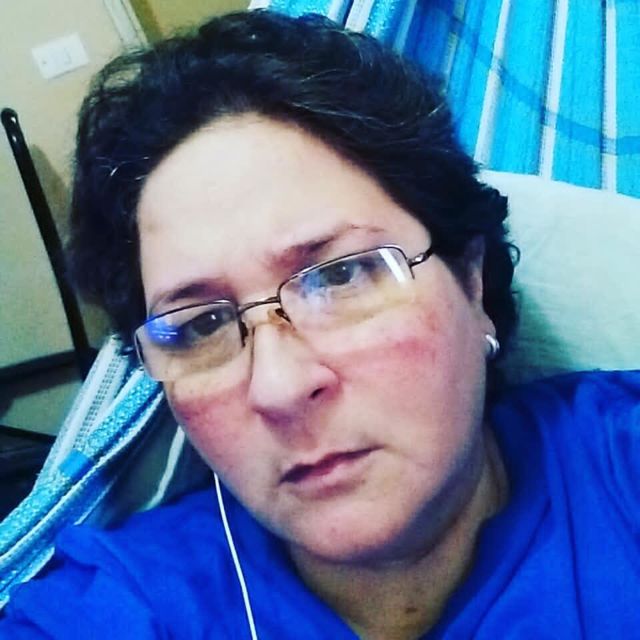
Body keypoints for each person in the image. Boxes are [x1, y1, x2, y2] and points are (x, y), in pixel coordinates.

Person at [1, 9, 638, 639]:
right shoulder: (119, 606)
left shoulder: (617, 471)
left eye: (340, 276)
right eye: (201, 326)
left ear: (472, 282)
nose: (279, 388)